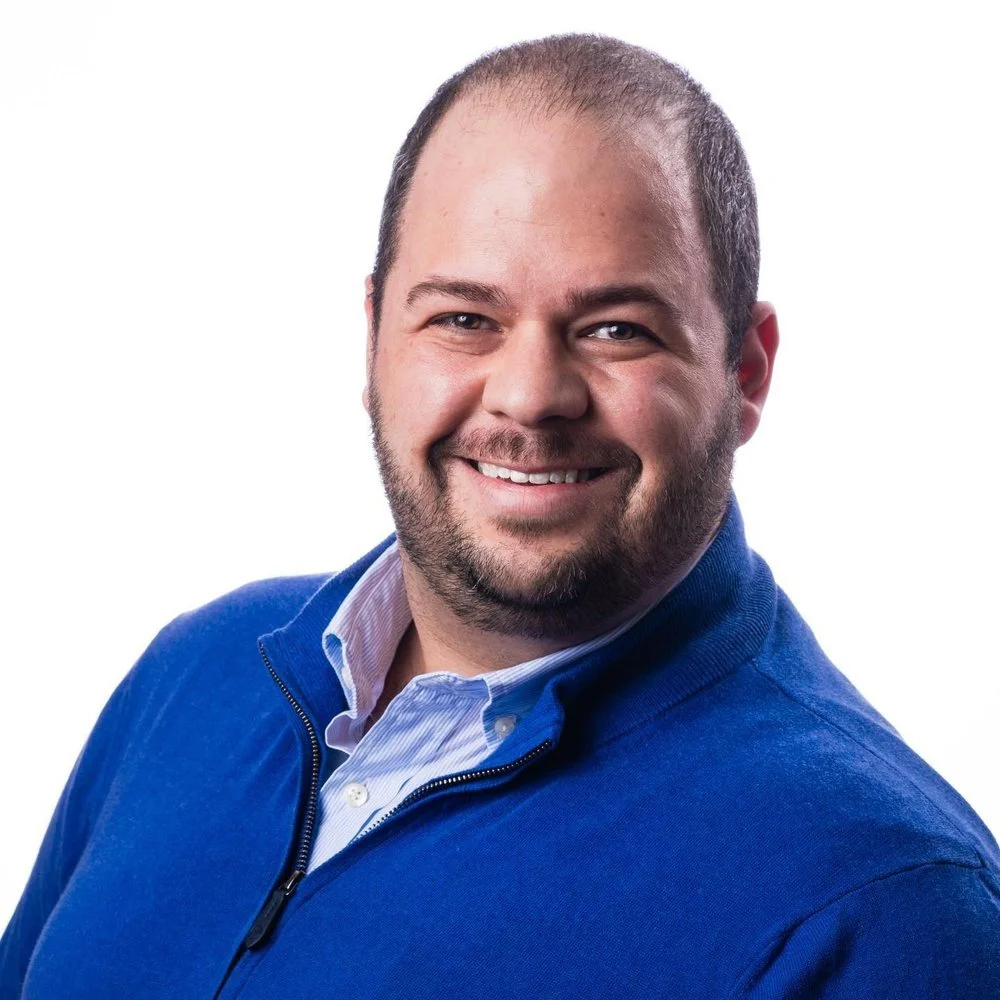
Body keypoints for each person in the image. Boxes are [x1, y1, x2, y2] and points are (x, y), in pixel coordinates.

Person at [2, 31, 998, 999]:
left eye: (616, 329)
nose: (528, 396)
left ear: (744, 371)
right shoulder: (199, 671)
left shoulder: (881, 910)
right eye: (463, 319)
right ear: (375, 341)